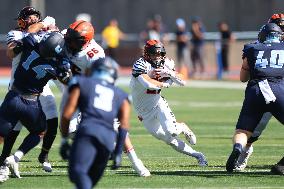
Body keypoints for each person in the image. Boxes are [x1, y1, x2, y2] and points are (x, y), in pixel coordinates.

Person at [60, 21, 150, 177]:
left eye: (73, 40)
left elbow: (97, 80)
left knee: (115, 125)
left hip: (93, 89)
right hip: (73, 88)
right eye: (69, 38)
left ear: (84, 41)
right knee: (67, 128)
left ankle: (136, 162)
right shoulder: (68, 38)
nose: (68, 42)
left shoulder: (94, 55)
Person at [0, 32, 72, 182]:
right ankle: (16, 157)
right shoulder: (56, 64)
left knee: (1, 135)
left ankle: (3, 165)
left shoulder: (31, 41)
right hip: (30, 104)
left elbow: (17, 47)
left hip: (13, 97)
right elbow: (66, 79)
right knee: (40, 132)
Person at [129, 39, 207, 167]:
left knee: (172, 131)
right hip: (143, 112)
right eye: (154, 54)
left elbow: (183, 82)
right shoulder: (140, 64)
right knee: (168, 140)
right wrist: (166, 83)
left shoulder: (166, 64)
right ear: (147, 54)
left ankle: (182, 127)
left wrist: (170, 73)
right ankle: (198, 155)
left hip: (158, 103)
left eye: (159, 54)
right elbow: (148, 83)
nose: (157, 57)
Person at [60, 57, 130, 188]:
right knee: (88, 181)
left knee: (77, 172)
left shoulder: (81, 82)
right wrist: (118, 151)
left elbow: (66, 114)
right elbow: (124, 125)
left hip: (88, 130)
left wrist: (64, 139)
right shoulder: (121, 94)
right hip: (108, 139)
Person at [225, 23, 284, 173]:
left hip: (256, 90)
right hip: (277, 88)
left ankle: (238, 148)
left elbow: (243, 78)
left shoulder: (252, 48)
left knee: (242, 131)